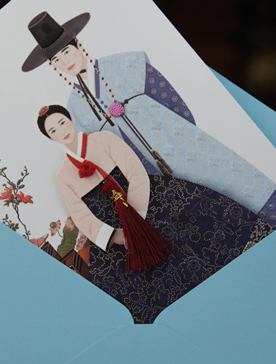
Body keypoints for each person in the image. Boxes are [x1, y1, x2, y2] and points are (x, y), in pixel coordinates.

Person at [23, 11, 276, 227]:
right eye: (56, 60)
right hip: (141, 171)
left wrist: (184, 133)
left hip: (177, 141)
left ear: (78, 44)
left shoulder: (126, 64)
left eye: (66, 52)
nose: (64, 62)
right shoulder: (74, 107)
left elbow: (169, 98)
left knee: (226, 179)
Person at [37, 104, 273, 324]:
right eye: (53, 130)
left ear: (71, 119)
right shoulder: (64, 176)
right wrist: (115, 235)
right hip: (114, 230)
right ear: (49, 138)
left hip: (146, 203)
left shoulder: (104, 140)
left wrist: (137, 219)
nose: (61, 131)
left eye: (62, 122)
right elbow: (81, 215)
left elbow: (135, 172)